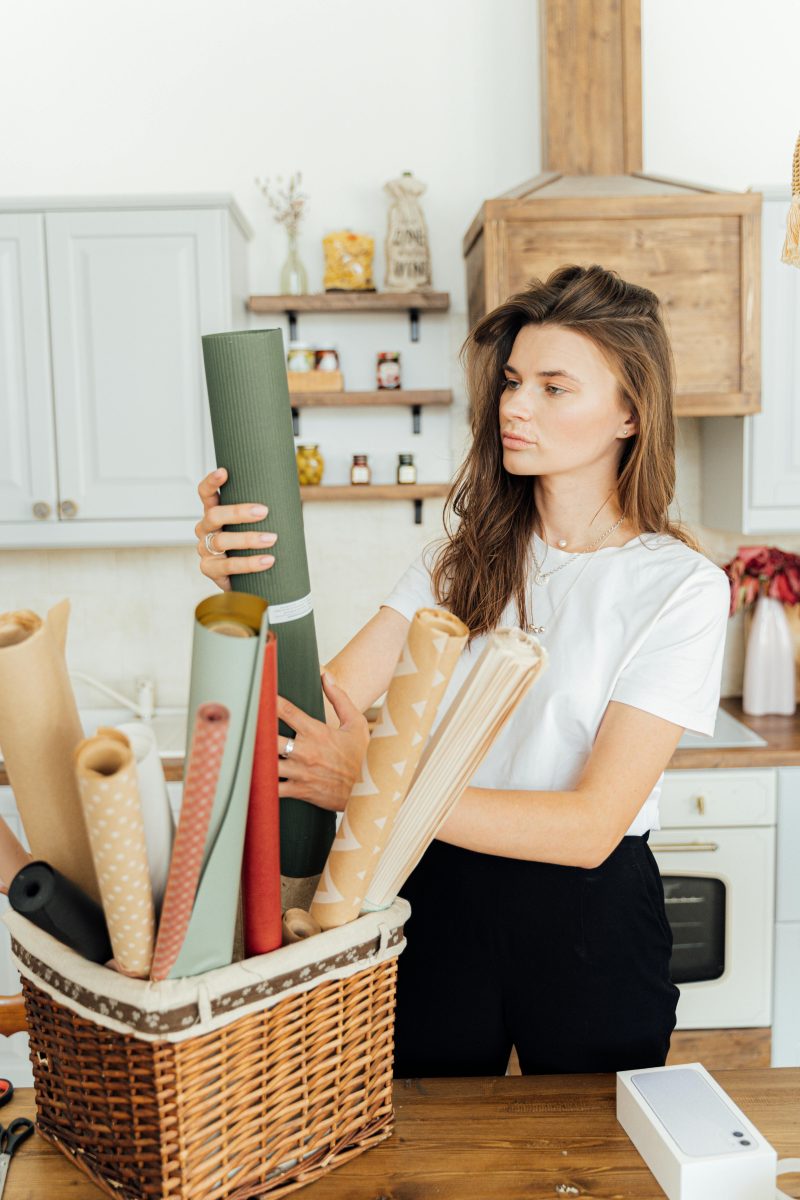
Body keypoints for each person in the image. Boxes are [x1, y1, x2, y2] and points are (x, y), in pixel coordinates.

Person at [194, 264, 730, 1077]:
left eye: (555, 387)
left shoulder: (680, 586)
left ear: (629, 412)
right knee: (418, 1145)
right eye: (513, 381)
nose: (514, 405)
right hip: (430, 887)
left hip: (590, 915)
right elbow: (310, 709)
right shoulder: (462, 560)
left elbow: (590, 829)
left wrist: (371, 781)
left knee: (595, 1157)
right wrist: (245, 590)